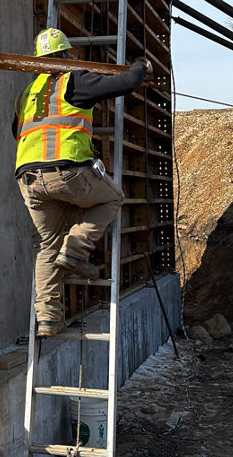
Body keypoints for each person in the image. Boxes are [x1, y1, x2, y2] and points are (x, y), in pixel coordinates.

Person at [13, 27, 153, 338]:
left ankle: (48, 318)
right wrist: (142, 66)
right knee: (112, 197)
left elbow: (17, 131)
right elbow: (126, 83)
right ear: (65, 55)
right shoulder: (73, 80)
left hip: (29, 181)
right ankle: (76, 249)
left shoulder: (26, 93)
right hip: (67, 172)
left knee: (47, 246)